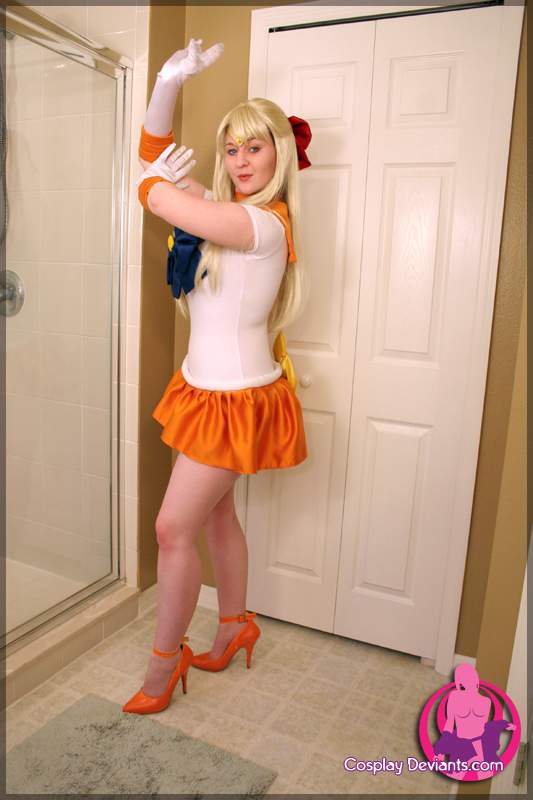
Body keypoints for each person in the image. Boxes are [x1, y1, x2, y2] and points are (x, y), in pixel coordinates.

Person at [123, 39, 311, 715]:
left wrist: (152, 186)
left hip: (234, 399)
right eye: (231, 149)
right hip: (209, 392)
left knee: (172, 529)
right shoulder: (233, 211)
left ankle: (163, 666)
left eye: (254, 148)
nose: (241, 161)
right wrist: (167, 82)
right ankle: (234, 627)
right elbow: (153, 159)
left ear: (279, 154)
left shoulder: (259, 224)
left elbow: (156, 193)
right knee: (216, 516)